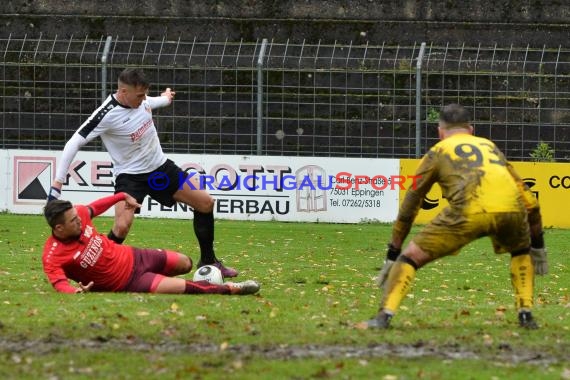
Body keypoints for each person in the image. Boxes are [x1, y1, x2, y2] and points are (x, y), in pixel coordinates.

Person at [364, 103, 548, 329]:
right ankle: (526, 314)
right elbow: (529, 199)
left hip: (468, 210)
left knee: (409, 258)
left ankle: (384, 317)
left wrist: (393, 252)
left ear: (440, 131)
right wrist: (537, 245)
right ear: (471, 130)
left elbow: (410, 204)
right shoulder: (490, 146)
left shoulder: (437, 152)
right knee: (521, 250)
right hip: (510, 209)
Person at [47, 68, 238, 278]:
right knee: (121, 226)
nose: (143, 99)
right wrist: (58, 182)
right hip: (131, 178)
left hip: (160, 171)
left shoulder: (141, 100)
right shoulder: (106, 113)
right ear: (122, 91)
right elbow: (74, 142)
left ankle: (209, 260)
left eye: (144, 94)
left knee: (205, 202)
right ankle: (97, 271)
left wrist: (166, 98)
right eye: (139, 95)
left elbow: (154, 101)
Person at [42, 192, 259, 295]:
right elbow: (59, 283)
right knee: (188, 289)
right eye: (73, 221)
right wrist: (74, 292)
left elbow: (96, 206)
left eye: (77, 216)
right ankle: (232, 289)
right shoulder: (53, 255)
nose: (79, 219)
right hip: (128, 282)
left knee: (186, 263)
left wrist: (121, 196)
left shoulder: (79, 213)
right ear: (59, 229)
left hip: (137, 256)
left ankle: (161, 281)